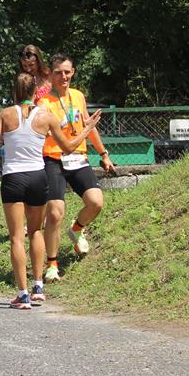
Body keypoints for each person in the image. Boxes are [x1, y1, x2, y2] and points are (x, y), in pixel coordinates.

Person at [0, 73, 101, 309]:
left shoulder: (6, 114)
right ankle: (38, 287)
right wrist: (88, 129)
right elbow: (68, 147)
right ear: (35, 91)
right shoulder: (46, 116)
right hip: (37, 177)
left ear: (15, 91)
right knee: (35, 231)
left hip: (13, 178)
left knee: (16, 237)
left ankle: (22, 295)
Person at [38, 53, 116, 282]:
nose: (63, 77)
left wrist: (103, 154)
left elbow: (88, 127)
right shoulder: (44, 103)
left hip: (78, 158)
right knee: (54, 213)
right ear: (50, 75)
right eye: (58, 72)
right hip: (54, 159)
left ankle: (77, 228)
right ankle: (52, 264)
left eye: (67, 72)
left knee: (96, 202)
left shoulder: (78, 96)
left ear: (72, 72)